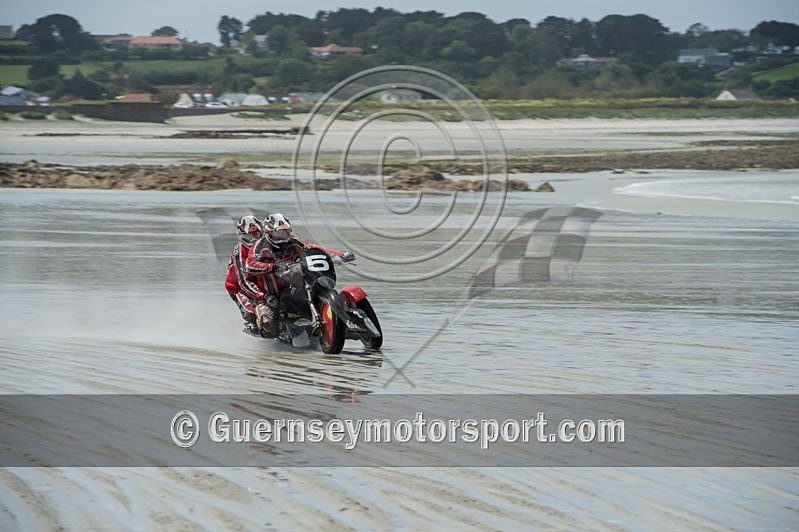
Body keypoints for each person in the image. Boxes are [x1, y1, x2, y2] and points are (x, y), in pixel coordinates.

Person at [244, 213, 307, 336]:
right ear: (269, 232)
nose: (283, 235)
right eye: (279, 232)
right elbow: (250, 265)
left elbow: (312, 248)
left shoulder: (293, 241)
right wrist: (272, 267)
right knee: (268, 325)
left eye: (285, 232)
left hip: (289, 288)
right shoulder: (259, 246)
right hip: (267, 295)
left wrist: (338, 256)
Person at [225, 215, 267, 334]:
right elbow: (242, 281)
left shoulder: (269, 241)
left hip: (263, 281)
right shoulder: (239, 252)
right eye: (247, 236)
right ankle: (258, 325)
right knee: (251, 313)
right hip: (239, 287)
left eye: (255, 234)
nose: (252, 239)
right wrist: (261, 296)